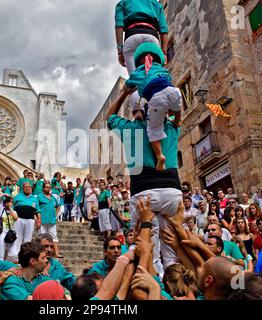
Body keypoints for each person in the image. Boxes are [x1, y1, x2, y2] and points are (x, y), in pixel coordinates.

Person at [106, 83, 182, 277]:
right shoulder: (172, 128)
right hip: (172, 193)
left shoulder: (130, 129)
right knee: (171, 249)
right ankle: (176, 286)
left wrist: (125, 93)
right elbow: (176, 115)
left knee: (149, 250)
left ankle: (154, 288)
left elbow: (110, 117)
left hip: (144, 194)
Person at [124, 42, 181, 171]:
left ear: (138, 60)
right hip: (174, 91)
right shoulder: (161, 69)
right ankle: (177, 120)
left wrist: (128, 88)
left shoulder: (138, 72)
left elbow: (128, 85)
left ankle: (160, 156)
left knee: (152, 131)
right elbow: (168, 78)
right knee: (176, 107)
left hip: (157, 98)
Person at [115, 0, 169, 111]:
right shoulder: (156, 4)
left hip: (132, 38)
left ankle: (140, 116)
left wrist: (120, 51)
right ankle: (160, 114)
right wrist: (164, 52)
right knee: (154, 78)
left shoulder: (123, 3)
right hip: (152, 39)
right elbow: (164, 30)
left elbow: (119, 26)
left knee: (135, 84)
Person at [12, 182, 41, 262]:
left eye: (29, 187)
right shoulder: (17, 197)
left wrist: (39, 220)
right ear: (23, 188)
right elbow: (12, 208)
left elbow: (38, 211)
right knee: (17, 237)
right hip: (19, 219)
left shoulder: (34, 198)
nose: (27, 188)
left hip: (30, 220)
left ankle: (25, 256)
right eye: (25, 187)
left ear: (31, 188)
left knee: (28, 239)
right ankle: (17, 256)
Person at [37, 183, 62, 258]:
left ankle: (56, 253)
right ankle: (41, 253)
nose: (48, 188)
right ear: (43, 188)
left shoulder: (53, 197)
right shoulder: (39, 196)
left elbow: (58, 206)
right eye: (47, 187)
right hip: (42, 220)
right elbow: (36, 208)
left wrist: (56, 215)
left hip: (52, 220)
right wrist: (37, 219)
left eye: (49, 187)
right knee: (42, 237)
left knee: (54, 236)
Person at [0, 193, 18, 261]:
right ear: (5, 202)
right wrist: (3, 194)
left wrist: (10, 208)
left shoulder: (14, 211)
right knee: (0, 253)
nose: (11, 203)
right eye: (9, 201)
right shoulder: (0, 209)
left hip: (10, 233)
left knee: (14, 253)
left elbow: (15, 218)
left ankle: (9, 265)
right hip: (1, 232)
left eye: (12, 202)